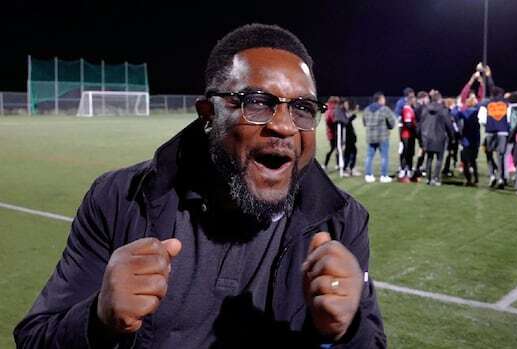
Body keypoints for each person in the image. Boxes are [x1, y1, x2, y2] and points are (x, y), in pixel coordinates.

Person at [14, 24, 386, 348]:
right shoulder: (120, 199)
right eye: (257, 103)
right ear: (209, 115)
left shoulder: (341, 222)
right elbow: (34, 338)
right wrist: (98, 321)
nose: (285, 126)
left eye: (302, 108)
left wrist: (345, 332)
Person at [481, 66, 510, 189]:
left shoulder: (487, 103)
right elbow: (509, 120)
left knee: (488, 153)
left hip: (490, 131)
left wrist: (488, 76)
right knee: (501, 155)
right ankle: (501, 179)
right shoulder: (506, 103)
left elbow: (482, 119)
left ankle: (492, 175)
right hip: (503, 132)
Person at [455, 71, 486, 186]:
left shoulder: (464, 110)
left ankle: (469, 180)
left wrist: (472, 79)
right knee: (473, 160)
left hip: (466, 139)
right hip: (476, 138)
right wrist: (481, 82)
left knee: (465, 160)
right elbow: (481, 95)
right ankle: (476, 179)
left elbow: (463, 94)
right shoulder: (477, 108)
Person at [419, 91, 454, 186]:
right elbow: (448, 125)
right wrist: (452, 137)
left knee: (429, 158)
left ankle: (428, 179)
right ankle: (435, 178)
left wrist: (421, 137)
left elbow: (421, 124)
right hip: (440, 137)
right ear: (439, 99)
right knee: (439, 159)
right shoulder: (443, 110)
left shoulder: (425, 109)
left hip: (427, 137)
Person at [363, 92, 396, 183]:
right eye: (384, 99)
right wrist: (388, 127)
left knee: (369, 157)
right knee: (384, 157)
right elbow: (392, 123)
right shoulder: (385, 109)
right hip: (382, 137)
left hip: (370, 137)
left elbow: (364, 122)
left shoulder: (366, 109)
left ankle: (368, 175)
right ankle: (383, 176)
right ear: (380, 99)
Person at [394, 88, 415, 176]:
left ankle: (409, 166)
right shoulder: (401, 103)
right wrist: (402, 122)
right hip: (404, 130)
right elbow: (397, 114)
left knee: (410, 149)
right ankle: (403, 167)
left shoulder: (412, 104)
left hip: (410, 130)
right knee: (404, 148)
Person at [339, 99, 361, 177]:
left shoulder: (345, 112)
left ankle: (351, 168)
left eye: (347, 104)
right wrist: (354, 114)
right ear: (342, 104)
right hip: (346, 137)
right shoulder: (340, 112)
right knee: (347, 153)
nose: (347, 106)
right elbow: (346, 122)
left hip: (350, 137)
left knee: (353, 152)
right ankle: (346, 169)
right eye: (346, 104)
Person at [398, 94, 417, 182]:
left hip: (408, 135)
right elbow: (408, 124)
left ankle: (408, 169)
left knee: (409, 153)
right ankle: (403, 170)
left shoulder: (410, 109)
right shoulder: (407, 110)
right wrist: (416, 129)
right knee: (406, 153)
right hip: (407, 136)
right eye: (414, 100)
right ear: (410, 100)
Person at [413, 91, 430, 179]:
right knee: (423, 149)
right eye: (427, 98)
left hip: (419, 131)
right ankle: (418, 168)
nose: (428, 100)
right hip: (422, 131)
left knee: (423, 149)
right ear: (423, 98)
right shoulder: (421, 107)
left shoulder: (417, 106)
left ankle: (419, 168)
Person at [323, 96, 342, 170]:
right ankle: (325, 164)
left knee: (337, 149)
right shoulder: (331, 110)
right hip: (332, 134)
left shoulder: (331, 109)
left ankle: (337, 164)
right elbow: (329, 120)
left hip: (334, 133)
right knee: (333, 149)